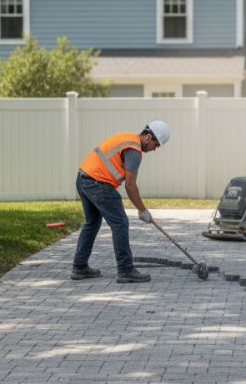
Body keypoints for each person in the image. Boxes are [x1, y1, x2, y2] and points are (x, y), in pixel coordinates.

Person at [71, 120, 171, 283]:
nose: (154, 149)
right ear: (148, 137)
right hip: (98, 184)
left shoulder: (126, 138)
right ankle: (125, 270)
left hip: (83, 179)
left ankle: (80, 267)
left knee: (92, 223)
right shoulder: (134, 150)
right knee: (120, 224)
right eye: (156, 145)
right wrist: (142, 210)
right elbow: (130, 186)